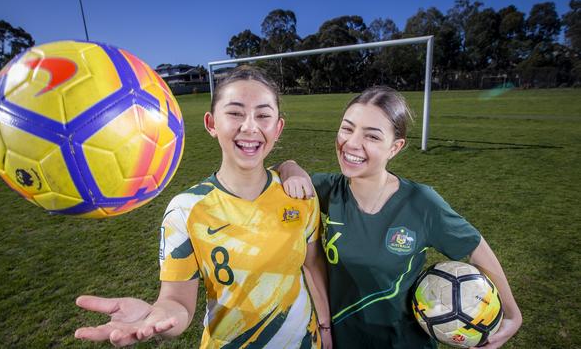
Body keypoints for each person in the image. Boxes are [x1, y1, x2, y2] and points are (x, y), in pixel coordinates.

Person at [74, 66, 332, 348]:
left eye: (263, 115)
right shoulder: (185, 209)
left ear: (278, 128)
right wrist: (157, 314)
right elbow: (177, 302)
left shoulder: (298, 194)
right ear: (211, 123)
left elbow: (313, 266)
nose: (250, 127)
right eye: (235, 113)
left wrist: (326, 328)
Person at [277, 86, 522, 349]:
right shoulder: (327, 190)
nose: (352, 143)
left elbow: (475, 247)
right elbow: (277, 173)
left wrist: (513, 316)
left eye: (371, 136)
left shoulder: (421, 203)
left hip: (402, 341)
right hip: (343, 337)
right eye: (347, 129)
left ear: (395, 147)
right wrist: (290, 167)